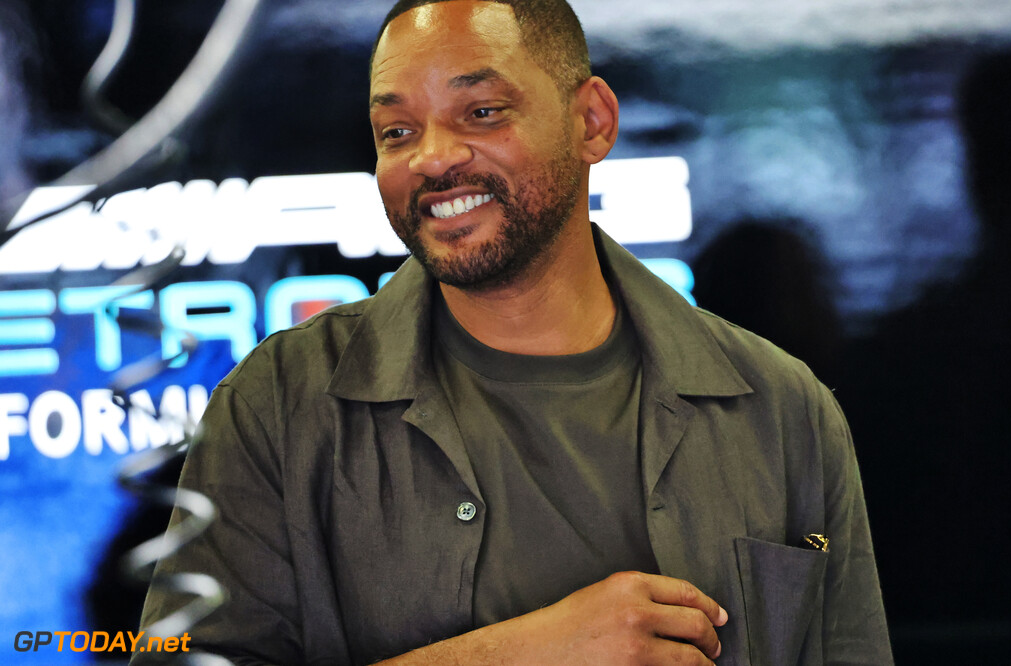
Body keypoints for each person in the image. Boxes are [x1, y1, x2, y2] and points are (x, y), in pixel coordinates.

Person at [136, 1, 892, 663]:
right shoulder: (278, 407)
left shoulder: (785, 412)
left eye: (482, 112)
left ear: (591, 122)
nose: (431, 156)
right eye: (396, 130)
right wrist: (521, 653)